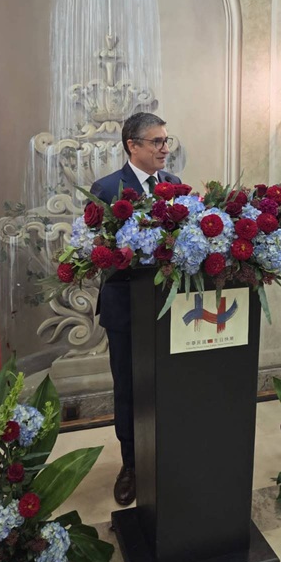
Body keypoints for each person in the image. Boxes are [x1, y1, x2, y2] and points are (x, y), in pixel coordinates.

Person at [90, 112, 181, 506]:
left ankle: (165, 456)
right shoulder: (107, 188)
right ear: (133, 145)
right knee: (129, 389)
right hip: (125, 308)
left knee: (166, 386)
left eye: (166, 141)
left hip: (168, 308)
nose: (165, 149)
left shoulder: (174, 185)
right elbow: (97, 252)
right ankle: (131, 465)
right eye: (157, 141)